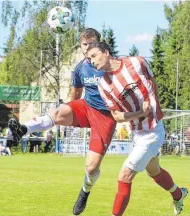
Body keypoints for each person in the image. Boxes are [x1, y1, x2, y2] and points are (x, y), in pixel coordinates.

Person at [8, 28, 117, 215]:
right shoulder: (80, 68)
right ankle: (23, 129)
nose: (88, 47)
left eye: (92, 44)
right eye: (84, 44)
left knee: (91, 167)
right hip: (86, 106)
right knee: (57, 112)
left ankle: (85, 191)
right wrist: (69, 116)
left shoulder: (111, 64)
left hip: (105, 116)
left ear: (100, 46)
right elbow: (74, 96)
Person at [86, 41, 188, 216]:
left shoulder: (137, 62)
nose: (92, 61)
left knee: (125, 175)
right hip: (137, 133)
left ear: (106, 52)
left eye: (94, 56)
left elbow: (152, 81)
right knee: (154, 171)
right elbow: (117, 116)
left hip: (154, 131)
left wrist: (154, 107)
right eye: (89, 59)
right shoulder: (103, 84)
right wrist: (140, 112)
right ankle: (179, 194)